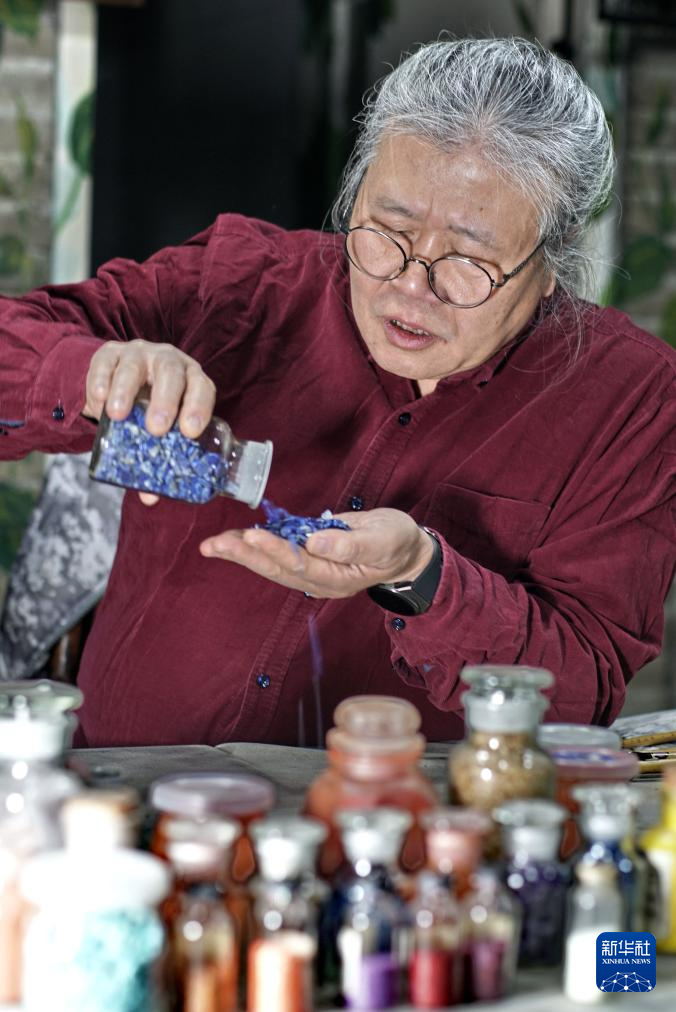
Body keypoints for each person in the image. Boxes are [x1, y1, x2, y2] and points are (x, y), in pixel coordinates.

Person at [0, 37, 673, 748]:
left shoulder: (627, 399)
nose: (410, 287)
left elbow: (579, 695)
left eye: (468, 262)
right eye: (387, 232)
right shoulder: (239, 284)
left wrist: (423, 576)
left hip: (404, 808)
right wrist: (93, 371)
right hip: (126, 788)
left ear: (553, 257)